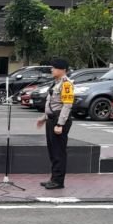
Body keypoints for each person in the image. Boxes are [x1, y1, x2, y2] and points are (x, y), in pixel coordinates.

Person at [36, 58, 75, 190]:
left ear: (62, 70)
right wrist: (44, 117)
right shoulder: (56, 83)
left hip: (59, 121)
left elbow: (67, 105)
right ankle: (53, 178)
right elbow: (52, 103)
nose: (51, 70)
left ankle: (58, 181)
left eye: (54, 68)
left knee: (59, 152)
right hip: (52, 119)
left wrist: (60, 124)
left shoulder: (66, 84)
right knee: (53, 151)